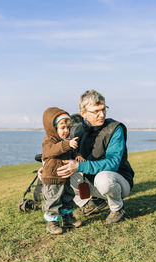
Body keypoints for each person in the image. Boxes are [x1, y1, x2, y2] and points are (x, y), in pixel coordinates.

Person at [57, 90, 135, 224]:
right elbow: (62, 156)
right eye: (96, 111)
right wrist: (46, 168)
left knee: (103, 179)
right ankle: (91, 203)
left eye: (104, 109)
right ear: (83, 114)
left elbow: (113, 163)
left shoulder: (115, 129)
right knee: (57, 170)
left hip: (118, 179)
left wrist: (79, 166)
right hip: (89, 180)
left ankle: (117, 208)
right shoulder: (76, 130)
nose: (102, 114)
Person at [41, 107, 83, 234]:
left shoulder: (66, 141)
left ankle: (68, 218)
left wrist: (77, 155)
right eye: (62, 127)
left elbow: (69, 152)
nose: (66, 131)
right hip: (52, 177)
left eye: (68, 127)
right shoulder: (49, 140)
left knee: (67, 197)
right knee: (53, 199)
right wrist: (67, 145)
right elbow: (51, 151)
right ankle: (52, 223)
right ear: (53, 128)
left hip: (65, 177)